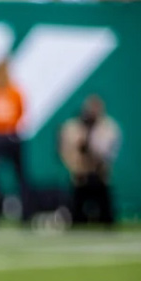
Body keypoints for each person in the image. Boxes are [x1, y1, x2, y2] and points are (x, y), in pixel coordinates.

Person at [0, 58, 31, 224]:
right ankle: (25, 215)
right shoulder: (13, 91)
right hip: (11, 135)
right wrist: (10, 125)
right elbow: (21, 111)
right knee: (19, 176)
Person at [58, 95, 121, 226]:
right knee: (77, 218)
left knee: (107, 218)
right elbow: (65, 150)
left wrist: (92, 146)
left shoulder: (108, 127)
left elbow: (108, 152)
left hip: (100, 177)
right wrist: (76, 165)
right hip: (80, 177)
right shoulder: (73, 128)